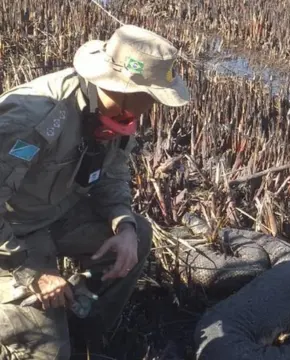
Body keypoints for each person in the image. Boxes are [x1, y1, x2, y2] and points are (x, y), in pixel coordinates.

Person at [0, 24, 190, 359]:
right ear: (125, 88)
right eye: (152, 97)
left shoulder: (116, 112)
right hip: (9, 237)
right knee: (46, 353)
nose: (153, 107)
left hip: (54, 215)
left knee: (138, 235)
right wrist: (35, 272)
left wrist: (124, 226)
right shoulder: (35, 119)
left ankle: (83, 324)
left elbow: (113, 172)